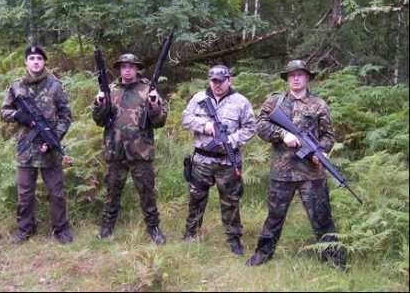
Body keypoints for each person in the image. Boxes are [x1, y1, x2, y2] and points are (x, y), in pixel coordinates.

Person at [245, 59, 346, 269]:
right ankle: (263, 254)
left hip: (312, 173)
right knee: (274, 216)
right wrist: (282, 134)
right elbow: (260, 125)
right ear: (287, 79)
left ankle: (334, 259)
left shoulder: (319, 104)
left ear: (307, 77)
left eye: (300, 74)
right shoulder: (275, 102)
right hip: (282, 173)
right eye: (292, 75)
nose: (296, 78)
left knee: (322, 217)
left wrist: (321, 151)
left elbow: (328, 136)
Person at [0, 45, 73, 244]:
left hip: (49, 148)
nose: (36, 61)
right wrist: (18, 115)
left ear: (44, 61)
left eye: (39, 58)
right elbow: (3, 111)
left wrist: (54, 139)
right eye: (32, 58)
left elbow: (66, 116)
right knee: (24, 193)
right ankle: (25, 229)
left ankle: (61, 229)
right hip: (25, 149)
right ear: (26, 62)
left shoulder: (55, 85)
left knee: (56, 192)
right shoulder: (16, 86)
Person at [181, 64, 257, 255]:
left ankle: (234, 239)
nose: (217, 85)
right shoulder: (199, 98)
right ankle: (191, 233)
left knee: (230, 202)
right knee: (196, 198)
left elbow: (250, 127)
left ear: (228, 80)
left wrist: (231, 140)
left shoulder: (241, 102)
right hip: (202, 160)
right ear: (209, 80)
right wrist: (204, 125)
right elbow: (185, 118)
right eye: (214, 81)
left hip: (227, 163)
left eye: (221, 81)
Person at [93, 53, 167, 245]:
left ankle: (154, 228)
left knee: (147, 193)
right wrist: (100, 104)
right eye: (123, 66)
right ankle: (107, 227)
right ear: (119, 69)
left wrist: (154, 105)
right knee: (112, 192)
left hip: (140, 151)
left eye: (131, 66)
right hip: (115, 150)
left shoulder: (148, 90)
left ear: (136, 69)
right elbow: (99, 120)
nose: (127, 69)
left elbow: (160, 122)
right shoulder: (110, 90)